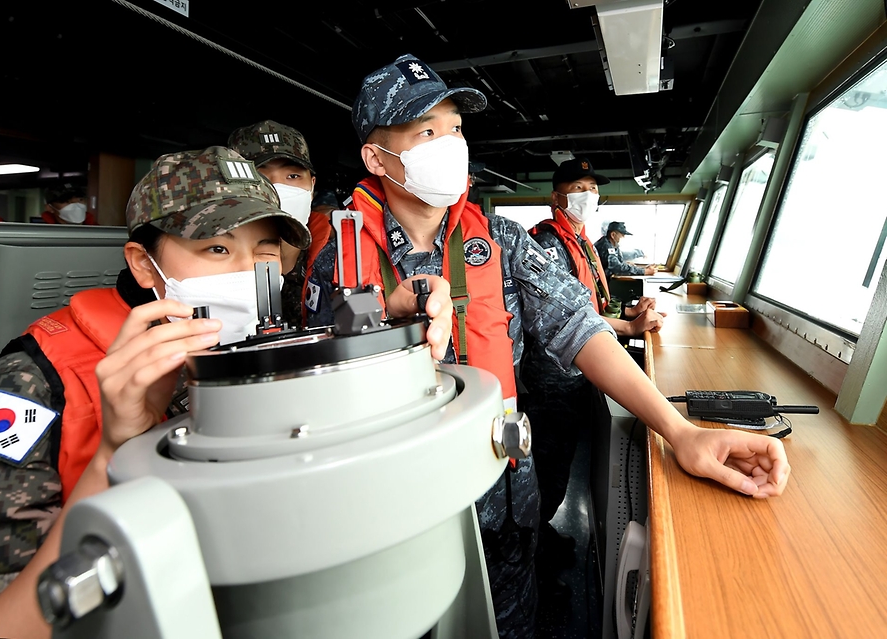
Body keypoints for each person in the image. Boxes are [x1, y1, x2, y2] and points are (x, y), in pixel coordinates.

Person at [305, 54, 790, 639]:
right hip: (393, 511)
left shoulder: (504, 242)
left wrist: (681, 432)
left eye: (454, 127)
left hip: (503, 493)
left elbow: (580, 330)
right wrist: (386, 311)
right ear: (376, 157)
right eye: (425, 131)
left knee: (512, 623)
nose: (450, 143)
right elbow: (312, 377)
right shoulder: (335, 262)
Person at [0, 146, 311, 638]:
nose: (246, 272)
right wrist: (113, 452)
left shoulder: (271, 349)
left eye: (264, 252)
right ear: (146, 266)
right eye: (217, 248)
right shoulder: (32, 381)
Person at [522, 157, 664, 605]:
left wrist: (625, 316)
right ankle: (530, 562)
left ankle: (542, 537)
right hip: (552, 379)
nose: (589, 195)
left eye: (593, 187)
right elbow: (566, 317)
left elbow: (588, 302)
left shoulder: (581, 243)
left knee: (560, 465)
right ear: (557, 197)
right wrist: (628, 330)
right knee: (547, 468)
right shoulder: (547, 243)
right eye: (579, 187)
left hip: (576, 373)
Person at [228, 120, 330, 329]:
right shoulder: (213, 264)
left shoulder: (339, 255)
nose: (276, 189)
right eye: (260, 177)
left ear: (311, 187)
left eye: (292, 176)